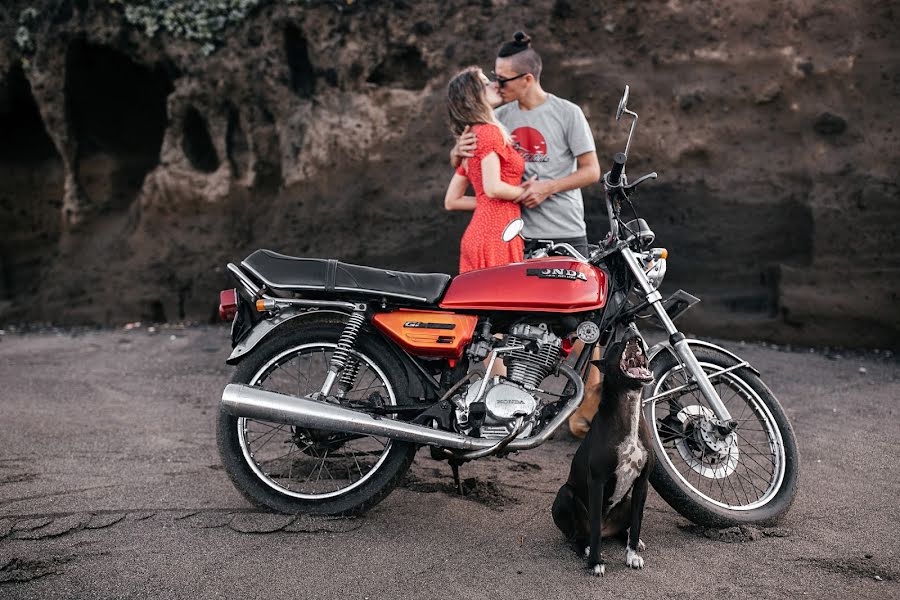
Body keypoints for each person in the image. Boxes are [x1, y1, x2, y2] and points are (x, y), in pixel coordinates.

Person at [450, 32, 603, 438]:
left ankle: (587, 411)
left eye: (503, 79)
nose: (497, 86)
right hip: (516, 235)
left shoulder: (568, 113)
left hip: (566, 231)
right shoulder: (501, 117)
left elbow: (592, 171)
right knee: (511, 327)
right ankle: (510, 406)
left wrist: (546, 187)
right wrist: (457, 151)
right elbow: (475, 160)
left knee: (587, 324)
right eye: (494, 80)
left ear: (528, 78)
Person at [444, 66, 526, 273]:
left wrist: (486, 203)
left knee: (481, 303)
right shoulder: (489, 132)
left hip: (479, 235)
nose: (495, 84)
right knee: (505, 301)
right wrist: (528, 192)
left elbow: (452, 201)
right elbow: (493, 189)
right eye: (485, 83)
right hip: (498, 234)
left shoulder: (472, 135)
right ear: (473, 96)